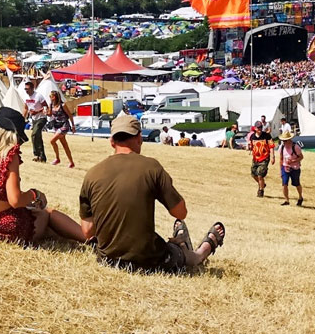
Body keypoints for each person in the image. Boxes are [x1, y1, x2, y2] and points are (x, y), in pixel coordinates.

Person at [78, 114, 224, 273]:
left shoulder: (92, 174)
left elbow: (87, 231)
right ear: (139, 138)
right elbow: (180, 212)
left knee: (173, 246)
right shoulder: (152, 168)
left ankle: (181, 243)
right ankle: (203, 249)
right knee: (185, 256)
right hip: (148, 260)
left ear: (112, 141)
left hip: (108, 260)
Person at [0, 107, 84, 246]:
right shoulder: (7, 155)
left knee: (42, 222)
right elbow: (15, 200)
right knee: (46, 214)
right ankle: (88, 237)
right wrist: (34, 194)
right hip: (8, 230)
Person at [277, 126, 305, 205]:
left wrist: (293, 161)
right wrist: (281, 170)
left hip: (295, 168)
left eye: (285, 140)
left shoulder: (295, 147)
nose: (284, 142)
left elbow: (301, 157)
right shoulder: (282, 147)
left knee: (296, 184)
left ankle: (300, 197)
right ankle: (287, 200)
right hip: (285, 167)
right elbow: (281, 159)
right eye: (283, 140)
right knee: (284, 184)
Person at [47, 96, 75, 168]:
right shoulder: (51, 104)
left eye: (51, 96)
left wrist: (73, 126)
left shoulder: (62, 105)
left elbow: (70, 115)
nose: (50, 98)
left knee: (52, 141)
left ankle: (57, 159)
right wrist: (45, 112)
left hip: (64, 125)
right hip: (57, 125)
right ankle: (71, 162)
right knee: (64, 144)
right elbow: (50, 114)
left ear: (55, 97)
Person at [248, 125, 273, 198]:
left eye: (261, 127)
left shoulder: (266, 136)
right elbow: (251, 146)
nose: (259, 129)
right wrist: (249, 147)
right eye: (258, 128)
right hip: (255, 158)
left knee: (260, 174)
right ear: (255, 128)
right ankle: (262, 184)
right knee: (253, 174)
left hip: (264, 158)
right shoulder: (252, 136)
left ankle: (261, 190)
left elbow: (271, 146)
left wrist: (272, 156)